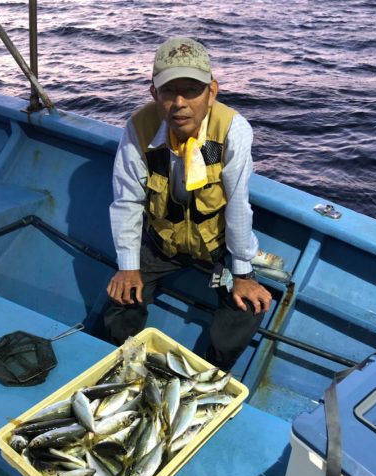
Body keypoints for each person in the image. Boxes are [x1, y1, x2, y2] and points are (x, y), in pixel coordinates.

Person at [104, 36, 272, 371]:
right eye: (169, 91)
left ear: (212, 92)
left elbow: (238, 204)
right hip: (160, 241)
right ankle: (120, 366)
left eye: (192, 90)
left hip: (216, 244)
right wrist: (128, 266)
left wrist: (242, 272)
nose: (179, 103)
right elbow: (127, 200)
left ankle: (210, 374)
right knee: (120, 301)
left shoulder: (230, 131)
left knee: (247, 305)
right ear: (154, 94)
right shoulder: (139, 128)